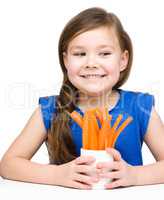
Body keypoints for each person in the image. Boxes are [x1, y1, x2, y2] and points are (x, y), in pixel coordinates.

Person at [1, 7, 164, 190]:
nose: (91, 63)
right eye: (80, 54)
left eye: (104, 54)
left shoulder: (140, 107)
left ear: (123, 60)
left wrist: (135, 175)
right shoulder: (50, 109)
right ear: (66, 60)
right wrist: (57, 174)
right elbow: (8, 165)